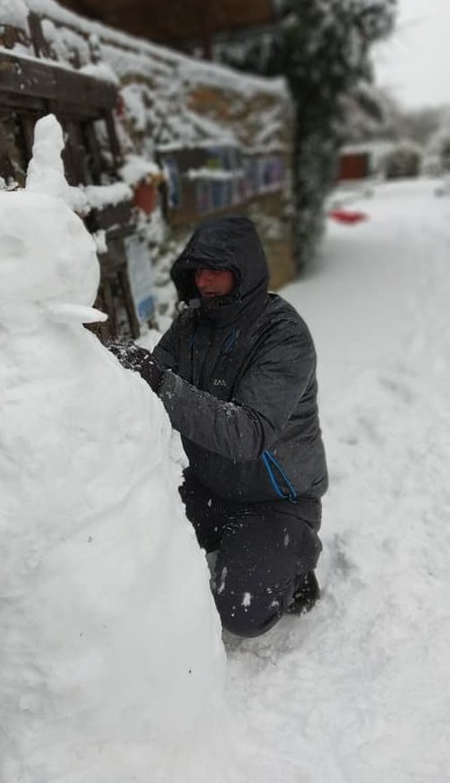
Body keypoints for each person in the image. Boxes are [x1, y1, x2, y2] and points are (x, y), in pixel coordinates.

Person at [110, 216, 327, 638]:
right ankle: (227, 541)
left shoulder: (284, 336)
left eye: (217, 272)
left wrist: (158, 381)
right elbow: (152, 388)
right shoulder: (191, 325)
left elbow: (247, 432)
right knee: (130, 539)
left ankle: (296, 560)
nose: (205, 283)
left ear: (244, 273)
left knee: (241, 613)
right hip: (208, 485)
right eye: (198, 272)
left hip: (276, 498)